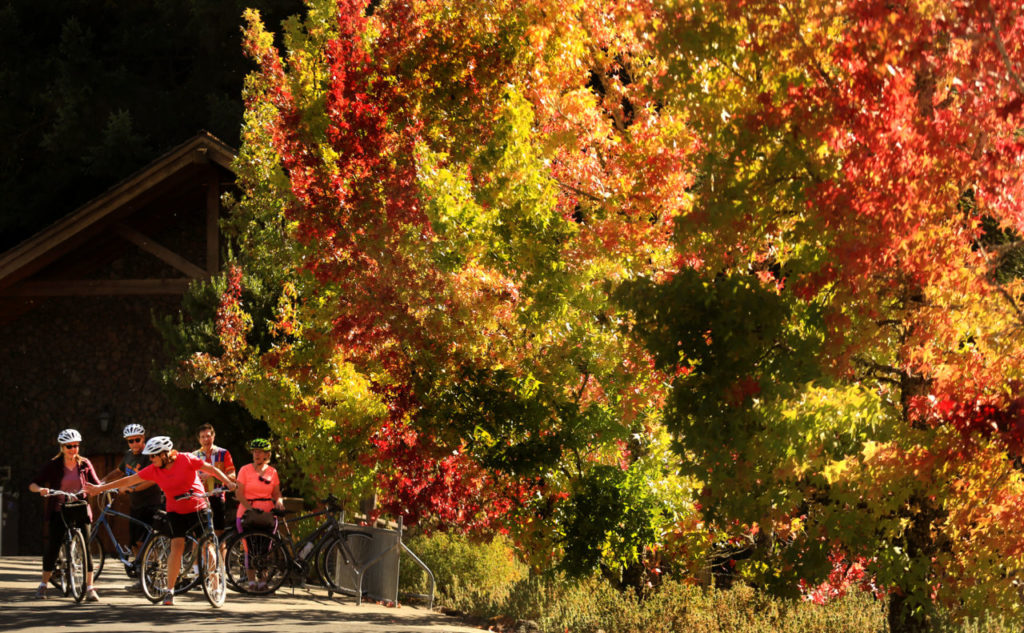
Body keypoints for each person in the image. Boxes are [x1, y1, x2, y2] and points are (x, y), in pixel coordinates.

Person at [85, 435, 236, 605]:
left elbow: (211, 469)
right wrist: (100, 488)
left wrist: (227, 482)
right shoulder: (154, 470)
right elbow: (129, 480)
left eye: (153, 456)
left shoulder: (186, 459)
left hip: (197, 507)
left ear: (164, 454)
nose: (150, 459)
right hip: (175, 510)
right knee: (176, 546)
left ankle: (215, 586)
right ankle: (169, 591)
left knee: (206, 545)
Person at [27, 429, 102, 601]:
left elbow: (96, 484)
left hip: (80, 508)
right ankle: (43, 585)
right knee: (53, 547)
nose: (73, 449)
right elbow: (33, 484)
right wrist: (41, 490)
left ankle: (90, 588)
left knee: (86, 549)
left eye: (76, 445)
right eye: (69, 446)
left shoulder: (84, 464)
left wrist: (100, 489)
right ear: (62, 447)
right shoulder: (53, 465)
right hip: (59, 509)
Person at [101, 423, 164, 592]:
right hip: (135, 505)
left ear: (143, 439)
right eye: (130, 441)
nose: (134, 444)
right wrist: (103, 481)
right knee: (135, 543)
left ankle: (154, 578)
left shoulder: (149, 456)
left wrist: (131, 488)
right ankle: (142, 578)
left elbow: (152, 480)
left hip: (151, 504)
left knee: (147, 541)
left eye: (137, 440)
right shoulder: (128, 456)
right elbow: (119, 471)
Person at [234, 438, 285, 591]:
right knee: (250, 547)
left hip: (267, 513)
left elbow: (276, 493)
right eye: (255, 451)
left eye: (260, 452)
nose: (257, 454)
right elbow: (239, 493)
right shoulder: (244, 470)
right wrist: (250, 508)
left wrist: (280, 501)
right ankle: (250, 581)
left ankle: (263, 580)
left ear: (267, 455)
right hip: (247, 512)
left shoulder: (272, 472)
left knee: (265, 547)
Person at [192, 423, 235, 537]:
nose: (206, 439)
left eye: (208, 436)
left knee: (219, 533)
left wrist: (212, 475)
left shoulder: (223, 453)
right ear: (199, 439)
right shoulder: (193, 456)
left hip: (217, 496)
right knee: (199, 535)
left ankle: (221, 554)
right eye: (202, 437)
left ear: (214, 436)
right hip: (199, 500)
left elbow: (232, 475)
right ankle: (201, 555)